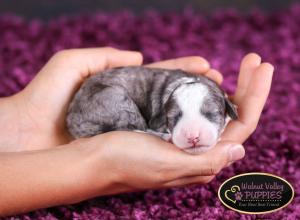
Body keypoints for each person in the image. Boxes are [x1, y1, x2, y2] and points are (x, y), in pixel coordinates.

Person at [0, 47, 273, 216]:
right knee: (127, 109)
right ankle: (135, 131)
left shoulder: (208, 95)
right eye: (176, 118)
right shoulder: (163, 99)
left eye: (210, 116)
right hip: (100, 104)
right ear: (166, 110)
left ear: (227, 110)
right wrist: (94, 165)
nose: (192, 134)